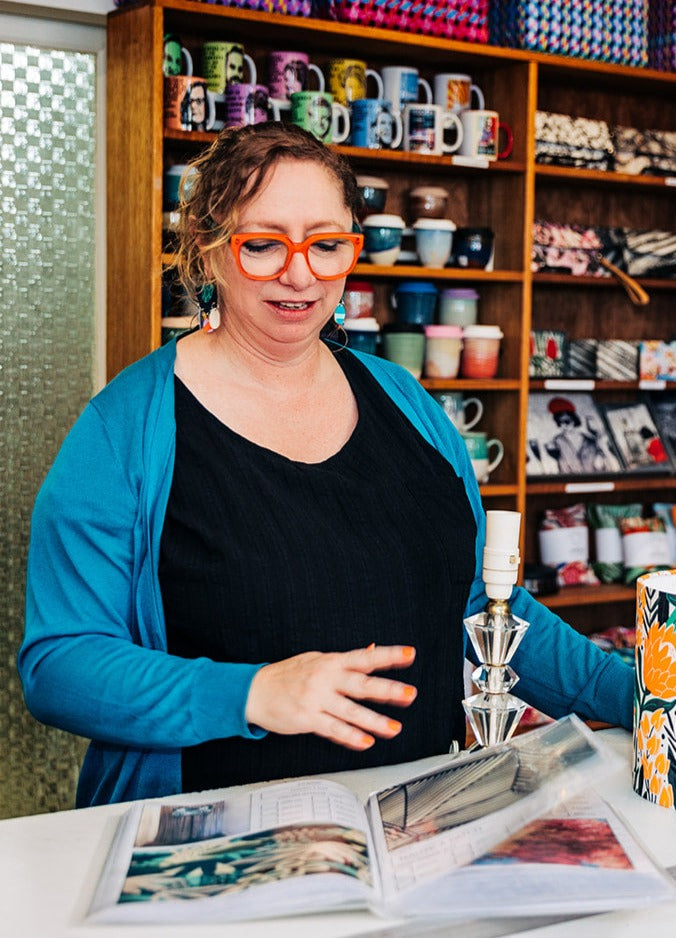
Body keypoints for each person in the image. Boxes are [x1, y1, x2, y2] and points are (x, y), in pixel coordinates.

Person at [19, 122, 633, 808]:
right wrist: (251, 694)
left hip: (416, 823)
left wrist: (644, 699)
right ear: (206, 250)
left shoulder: (408, 403)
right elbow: (59, 664)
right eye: (262, 245)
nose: (300, 273)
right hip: (220, 854)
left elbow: (480, 608)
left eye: (326, 244)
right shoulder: (123, 431)